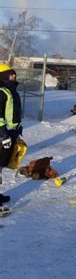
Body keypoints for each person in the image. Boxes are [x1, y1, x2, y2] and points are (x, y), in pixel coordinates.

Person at [0, 64, 23, 213]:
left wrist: (18, 129)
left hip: (11, 133)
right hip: (3, 134)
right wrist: (3, 134)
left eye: (13, 74)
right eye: (10, 74)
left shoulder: (12, 91)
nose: (13, 76)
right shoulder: (1, 92)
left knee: (1, 166)